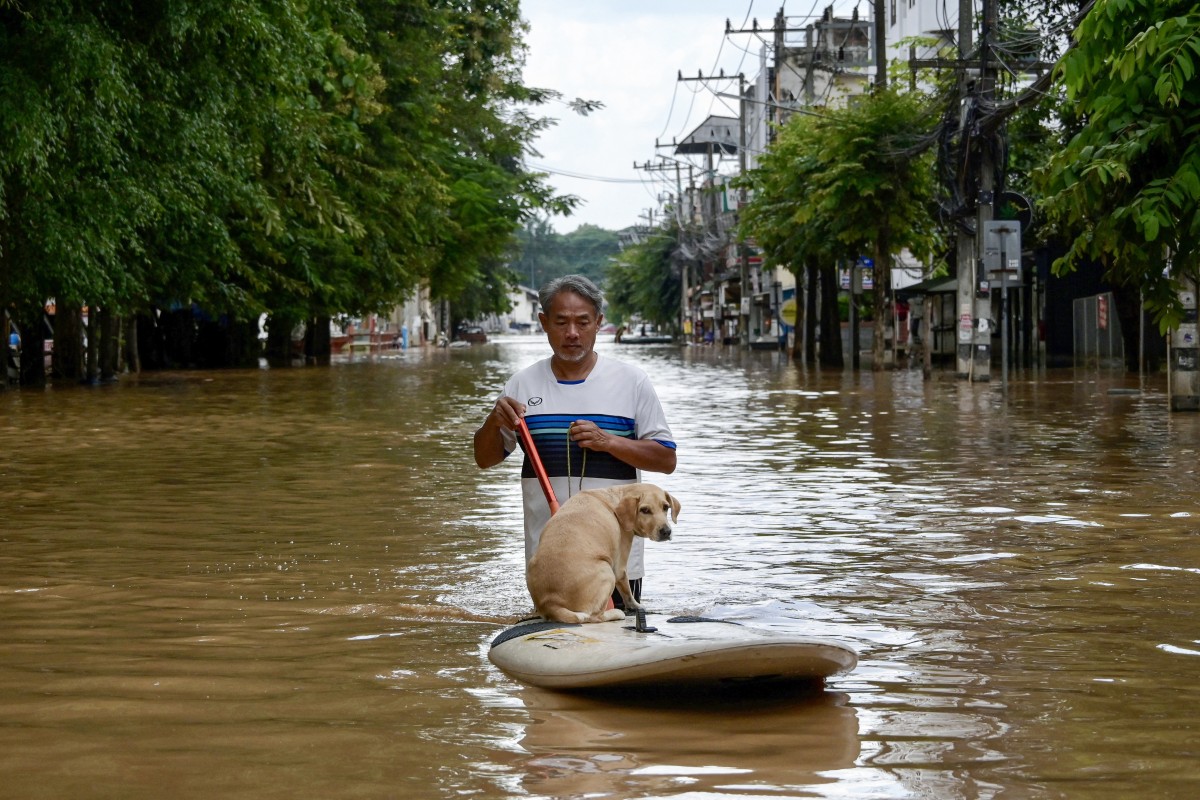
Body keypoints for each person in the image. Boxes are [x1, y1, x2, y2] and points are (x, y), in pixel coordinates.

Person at [474, 274, 677, 609]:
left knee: (615, 650)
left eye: (583, 322)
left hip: (613, 561)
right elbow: (485, 459)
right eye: (561, 322)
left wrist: (608, 442)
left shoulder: (632, 382)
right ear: (543, 323)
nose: (572, 333)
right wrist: (492, 422)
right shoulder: (521, 385)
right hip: (548, 560)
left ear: (599, 322)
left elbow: (666, 460)